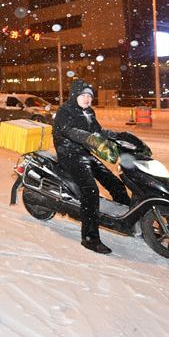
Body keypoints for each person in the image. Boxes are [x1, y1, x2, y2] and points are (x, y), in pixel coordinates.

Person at [53, 79, 131, 255]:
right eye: (84, 95)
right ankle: (90, 238)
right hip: (69, 155)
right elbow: (69, 131)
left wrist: (119, 137)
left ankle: (127, 222)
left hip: (84, 154)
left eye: (89, 96)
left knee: (116, 184)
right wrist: (89, 138)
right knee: (91, 191)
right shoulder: (65, 111)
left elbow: (98, 132)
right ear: (75, 95)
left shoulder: (89, 112)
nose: (87, 99)